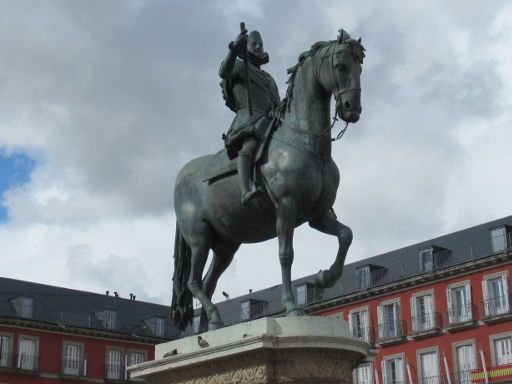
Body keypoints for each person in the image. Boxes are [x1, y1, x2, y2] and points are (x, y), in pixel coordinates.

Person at [219, 29, 280, 204]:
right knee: (250, 145)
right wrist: (233, 49)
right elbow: (224, 72)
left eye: (261, 44)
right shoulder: (238, 66)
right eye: (254, 44)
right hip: (248, 120)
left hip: (270, 122)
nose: (259, 47)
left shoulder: (269, 79)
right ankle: (245, 190)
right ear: (246, 47)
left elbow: (277, 102)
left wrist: (278, 110)